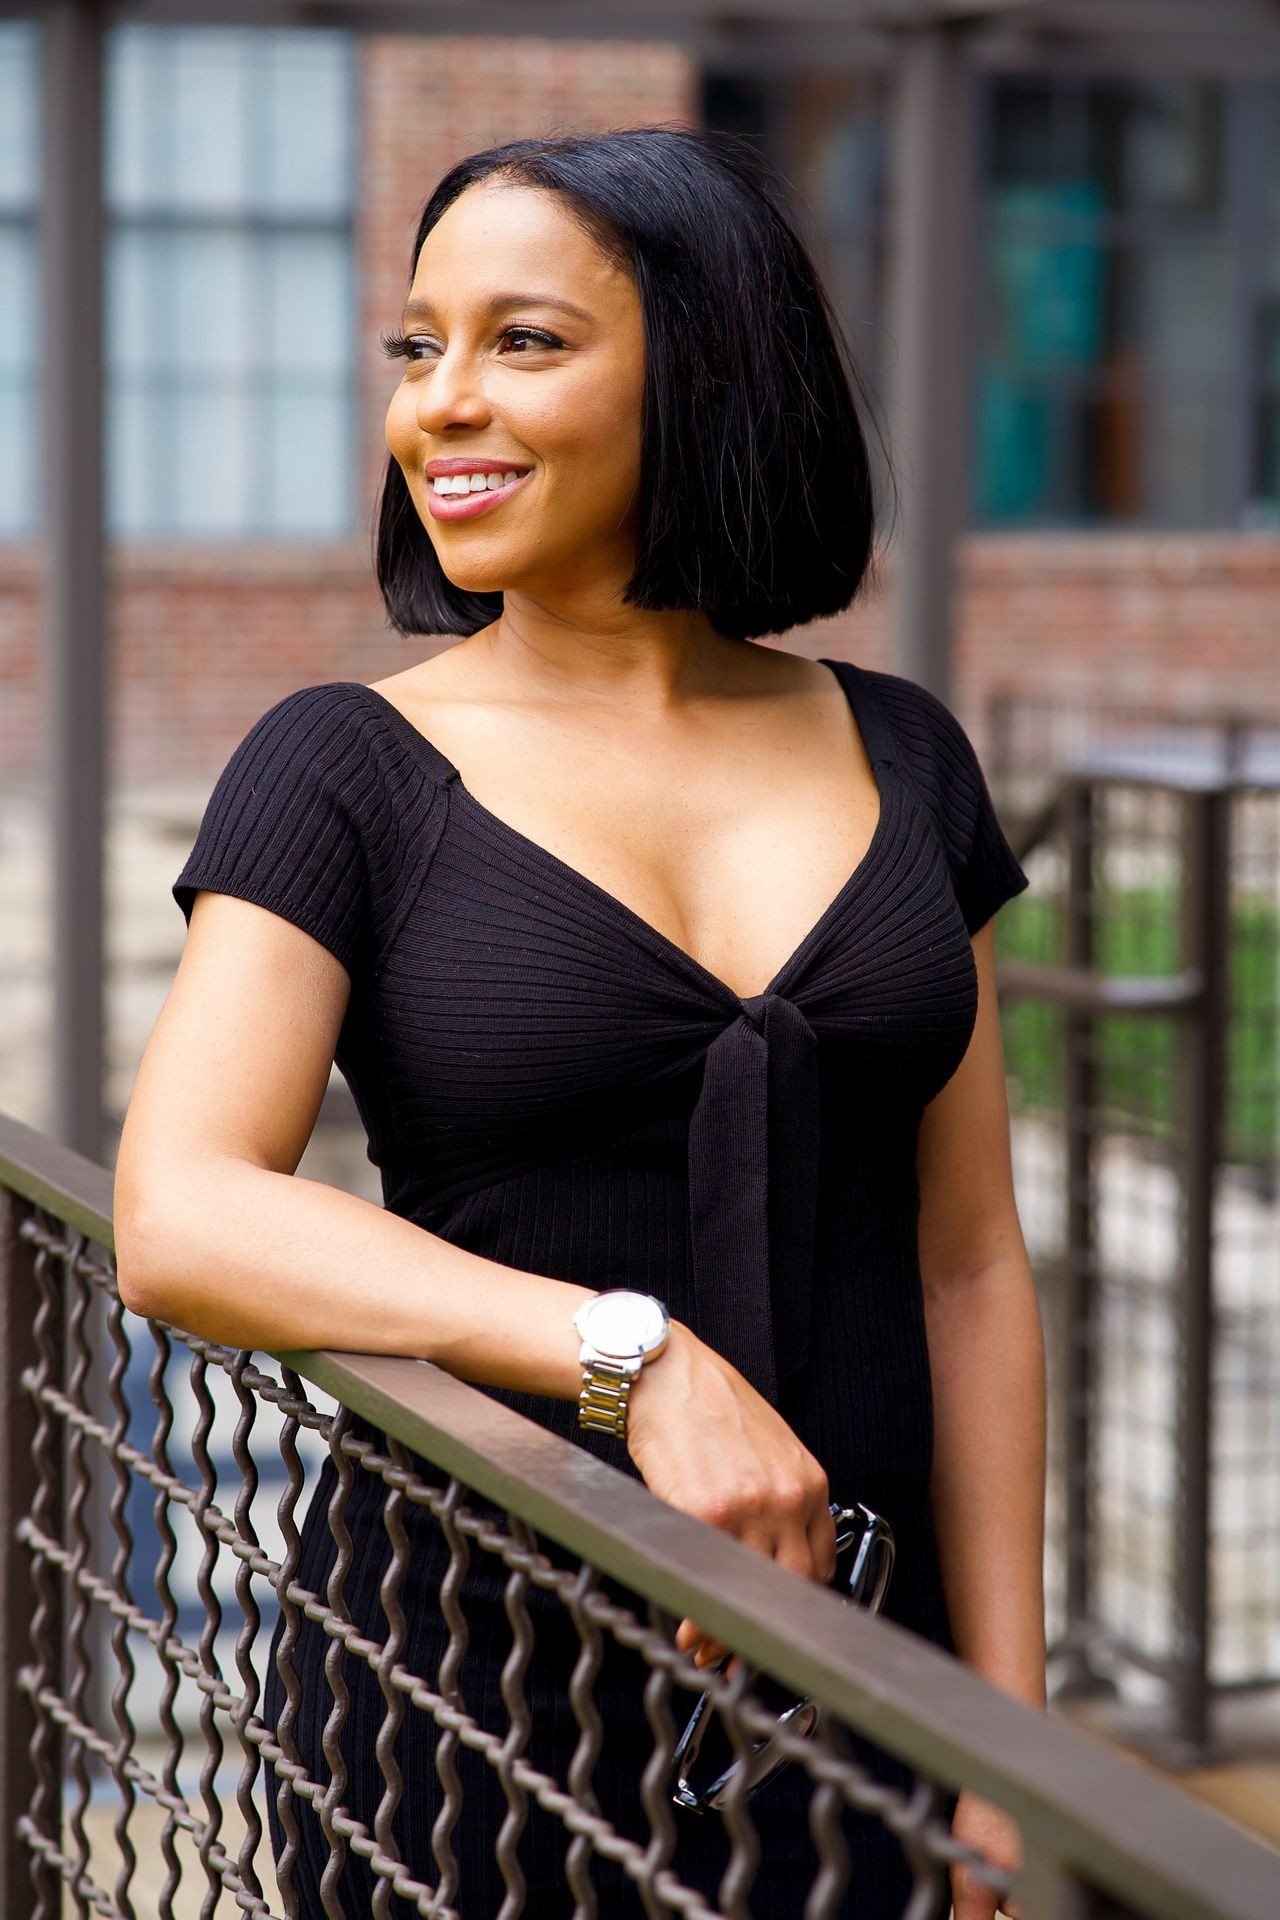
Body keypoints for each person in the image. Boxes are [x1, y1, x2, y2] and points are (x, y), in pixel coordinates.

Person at [114, 124, 1046, 1920]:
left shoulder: (907, 752)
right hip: (465, 1699)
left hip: (864, 1688)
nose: (439, 404)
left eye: (522, 342)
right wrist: (635, 1354)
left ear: (705, 372)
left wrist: (1009, 1723)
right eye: (416, 346)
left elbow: (969, 1269)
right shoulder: (343, 764)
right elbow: (180, 1212)